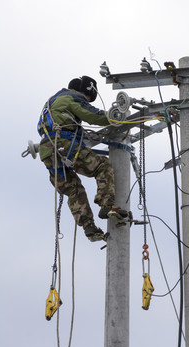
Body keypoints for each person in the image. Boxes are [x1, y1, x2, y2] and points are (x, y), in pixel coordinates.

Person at [38, 76, 127, 241]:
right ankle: (107, 205)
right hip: (64, 145)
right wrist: (116, 116)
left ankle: (90, 228)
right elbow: (92, 116)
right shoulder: (73, 98)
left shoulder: (52, 102)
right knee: (102, 166)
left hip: (47, 152)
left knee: (73, 189)